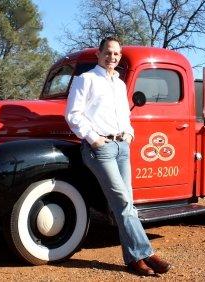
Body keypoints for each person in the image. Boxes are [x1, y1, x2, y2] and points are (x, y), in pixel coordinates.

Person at [65, 36, 171, 276]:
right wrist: (93, 138)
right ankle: (147, 253)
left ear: (119, 57)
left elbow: (124, 114)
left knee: (126, 204)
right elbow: (73, 114)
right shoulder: (86, 79)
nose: (112, 57)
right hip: (100, 149)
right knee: (122, 202)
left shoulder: (120, 84)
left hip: (122, 146)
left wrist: (130, 133)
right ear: (98, 54)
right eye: (108, 52)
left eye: (116, 54)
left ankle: (134, 259)